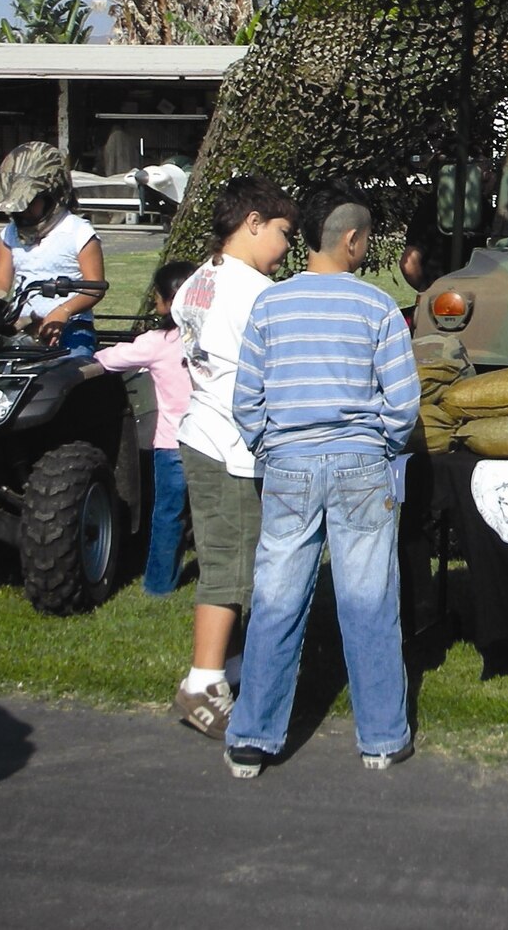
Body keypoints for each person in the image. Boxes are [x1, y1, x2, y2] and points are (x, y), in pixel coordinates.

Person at [224, 181, 422, 778]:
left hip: (288, 464)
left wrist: (272, 447)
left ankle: (251, 739)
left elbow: (246, 400)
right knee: (370, 601)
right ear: (353, 240)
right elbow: (403, 403)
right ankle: (382, 738)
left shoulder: (270, 305)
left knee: (277, 598)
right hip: (362, 464)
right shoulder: (378, 307)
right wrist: (379, 447)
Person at [168, 176, 298, 739]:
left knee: (232, 558)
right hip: (230, 446)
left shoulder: (197, 280)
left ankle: (232, 669)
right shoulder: (256, 293)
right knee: (230, 566)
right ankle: (204, 684)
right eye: (284, 232)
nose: (287, 246)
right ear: (253, 222)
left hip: (201, 431)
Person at [94, 259, 197, 597]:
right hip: (214, 442)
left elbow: (108, 359)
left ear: (167, 301)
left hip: (171, 444)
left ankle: (159, 583)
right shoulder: (215, 338)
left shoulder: (156, 342)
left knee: (168, 514)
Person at [0, 142, 103, 356]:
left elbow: (95, 287)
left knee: (74, 364)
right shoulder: (9, 234)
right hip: (22, 324)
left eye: (29, 203)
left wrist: (63, 311)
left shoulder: (79, 232)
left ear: (52, 195)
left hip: (71, 324)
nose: (22, 211)